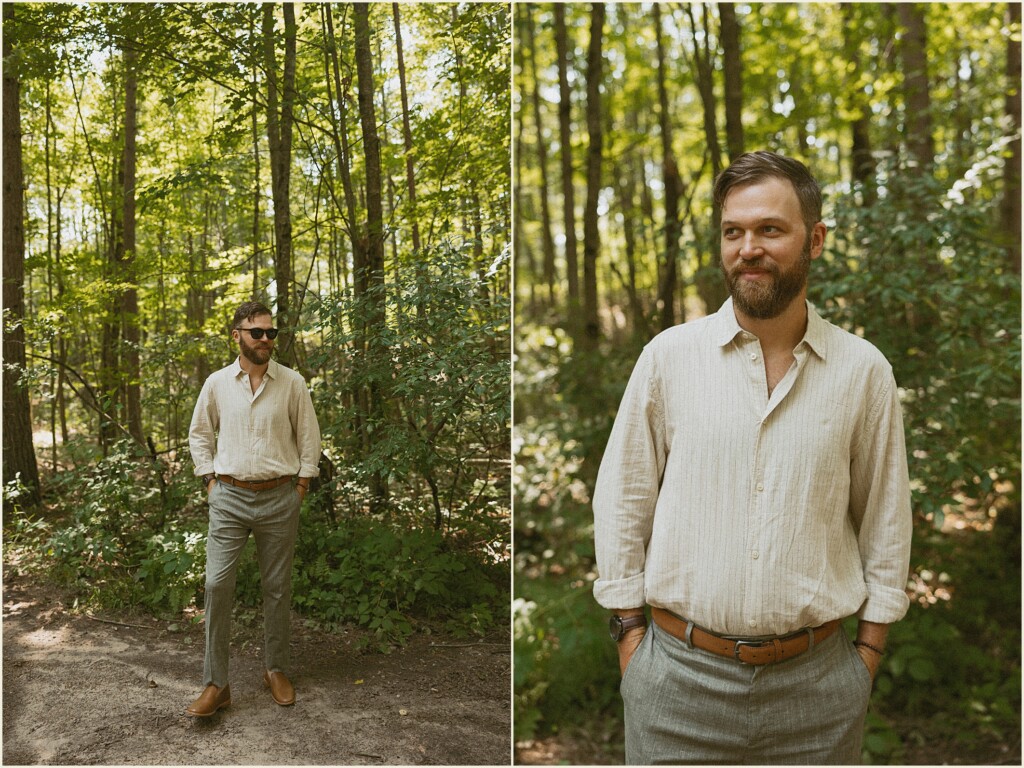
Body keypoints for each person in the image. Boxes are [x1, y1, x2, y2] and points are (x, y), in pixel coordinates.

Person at [592, 151, 912, 764]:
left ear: (814, 240)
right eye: (734, 231)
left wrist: (866, 656)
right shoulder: (669, 359)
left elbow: (886, 519)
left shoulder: (862, 371)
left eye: (770, 229)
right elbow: (624, 498)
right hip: (675, 687)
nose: (748, 248)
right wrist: (631, 638)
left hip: (818, 693)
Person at [186, 301, 322, 717]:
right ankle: (216, 684)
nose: (266, 340)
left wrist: (300, 485)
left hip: (280, 498)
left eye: (271, 333)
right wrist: (209, 481)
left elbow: (309, 436)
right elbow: (199, 433)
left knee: (277, 589)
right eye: (257, 332)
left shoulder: (292, 383)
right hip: (228, 498)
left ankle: (275, 669)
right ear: (237, 336)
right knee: (216, 585)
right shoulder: (216, 383)